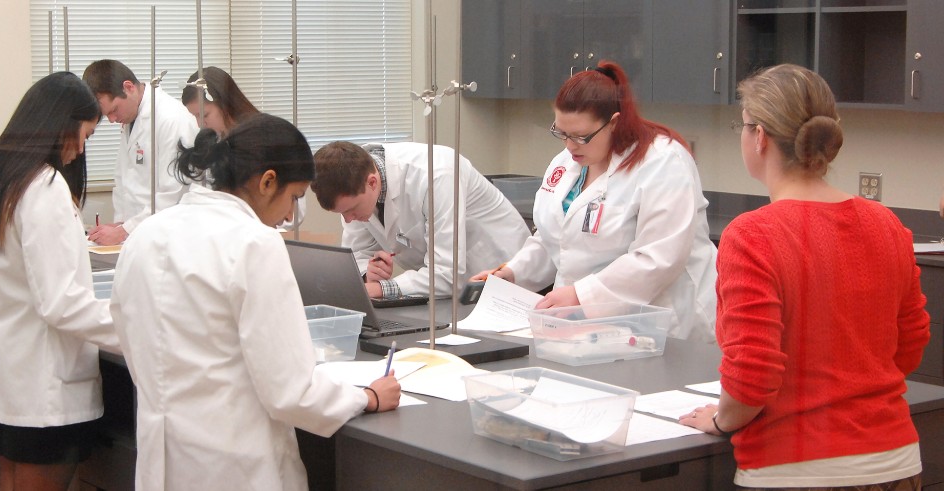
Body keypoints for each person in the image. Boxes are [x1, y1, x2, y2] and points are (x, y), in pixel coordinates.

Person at [111, 113, 401, 490]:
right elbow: (291, 391)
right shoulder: (254, 244)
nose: (287, 216)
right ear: (267, 181)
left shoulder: (146, 234)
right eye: (294, 198)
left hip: (163, 462)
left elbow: (125, 329)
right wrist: (367, 398)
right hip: (236, 466)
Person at [679, 64, 930, 490]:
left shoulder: (752, 235)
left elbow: (752, 377)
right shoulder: (886, 224)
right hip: (895, 462)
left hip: (797, 467)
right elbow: (908, 347)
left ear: (758, 137)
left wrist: (722, 420)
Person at [470, 61, 717, 341]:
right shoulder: (568, 161)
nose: (569, 145)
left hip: (666, 325)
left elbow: (658, 258)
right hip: (584, 327)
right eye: (561, 133)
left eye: (580, 136)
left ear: (613, 122)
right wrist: (512, 274)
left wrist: (581, 295)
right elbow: (555, 238)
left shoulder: (663, 162)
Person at [0, 72, 117, 491]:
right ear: (60, 124)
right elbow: (61, 303)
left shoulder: (5, 181)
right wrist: (132, 325)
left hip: (17, 377)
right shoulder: (44, 187)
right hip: (47, 388)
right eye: (83, 134)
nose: (81, 148)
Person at [312, 141, 530, 299]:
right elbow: (357, 256)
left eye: (351, 210)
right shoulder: (353, 184)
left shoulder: (436, 174)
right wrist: (368, 273)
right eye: (341, 214)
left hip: (503, 273)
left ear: (371, 182)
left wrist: (382, 289)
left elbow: (446, 275)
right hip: (451, 296)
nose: (349, 220)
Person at [82, 59, 199, 246]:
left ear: (128, 87)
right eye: (106, 116)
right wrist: (120, 225)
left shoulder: (171, 119)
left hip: (167, 237)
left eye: (113, 110)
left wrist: (125, 231)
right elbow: (123, 180)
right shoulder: (131, 118)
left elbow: (172, 194)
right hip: (139, 236)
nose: (112, 120)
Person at [181, 66, 260, 139]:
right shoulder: (218, 140)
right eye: (195, 116)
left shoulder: (258, 139)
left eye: (205, 115)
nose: (200, 124)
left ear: (226, 103)